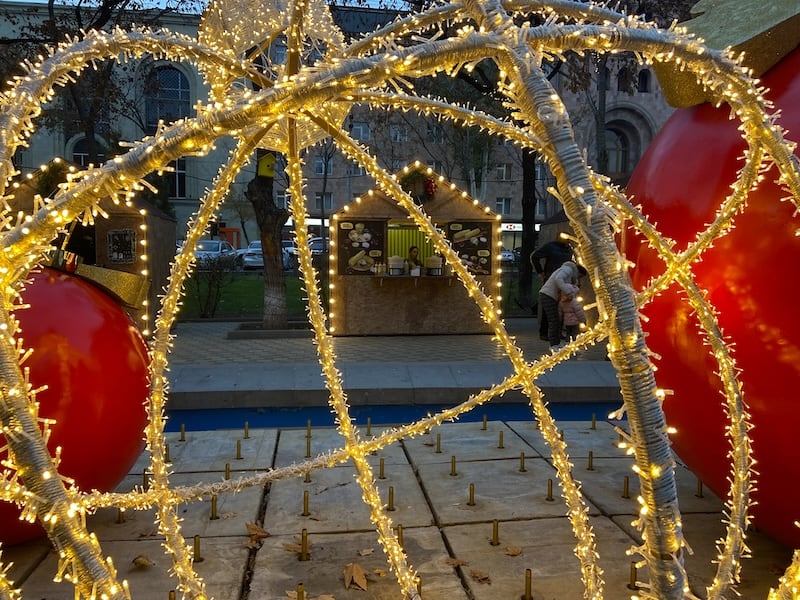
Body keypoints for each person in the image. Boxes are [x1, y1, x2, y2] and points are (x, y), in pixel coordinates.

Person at [530, 233, 574, 339]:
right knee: (549, 305)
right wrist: (540, 271)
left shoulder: (569, 250)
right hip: (551, 278)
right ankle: (544, 332)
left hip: (564, 281)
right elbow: (535, 256)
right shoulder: (551, 247)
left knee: (562, 306)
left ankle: (558, 332)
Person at [538, 260, 587, 349]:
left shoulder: (569, 273)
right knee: (554, 320)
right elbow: (558, 279)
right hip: (548, 295)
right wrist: (568, 291)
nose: (578, 278)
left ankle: (556, 342)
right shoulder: (568, 269)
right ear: (578, 272)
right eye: (580, 276)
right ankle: (554, 345)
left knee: (556, 320)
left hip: (551, 296)